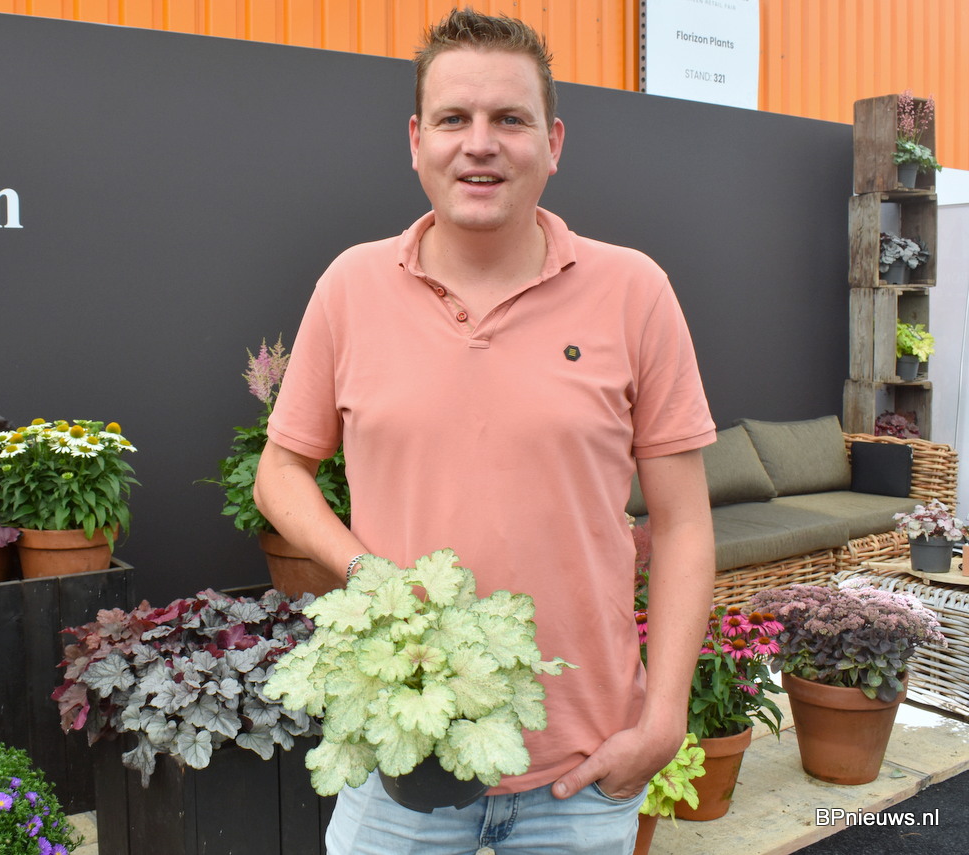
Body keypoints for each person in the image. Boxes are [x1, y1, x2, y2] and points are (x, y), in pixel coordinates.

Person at [253, 8, 716, 854]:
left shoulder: (634, 291)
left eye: (509, 118)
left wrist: (664, 719)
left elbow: (684, 522)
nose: (480, 144)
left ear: (553, 142)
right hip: (399, 758)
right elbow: (280, 472)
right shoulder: (351, 286)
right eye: (452, 119)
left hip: (583, 769)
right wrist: (367, 574)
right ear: (416, 140)